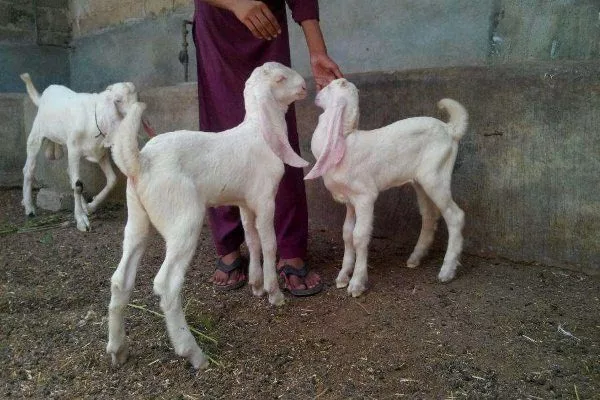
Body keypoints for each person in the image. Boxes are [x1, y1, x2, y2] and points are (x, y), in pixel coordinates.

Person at [193, 0, 343, 296]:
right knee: (221, 122)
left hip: (266, 23)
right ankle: (228, 241)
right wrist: (235, 3)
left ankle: (289, 246)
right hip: (218, 22)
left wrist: (317, 50)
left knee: (276, 132)